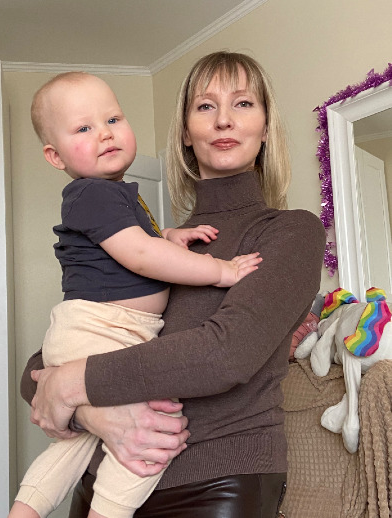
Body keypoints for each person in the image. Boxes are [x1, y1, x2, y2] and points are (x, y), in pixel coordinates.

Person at [20, 51, 326, 517]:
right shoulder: (150, 243)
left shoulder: (291, 231)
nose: (223, 120)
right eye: (205, 106)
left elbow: (226, 354)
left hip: (215, 482)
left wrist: (71, 386)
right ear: (185, 130)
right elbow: (42, 367)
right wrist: (95, 414)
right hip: (105, 477)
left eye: (243, 103)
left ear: (266, 127)